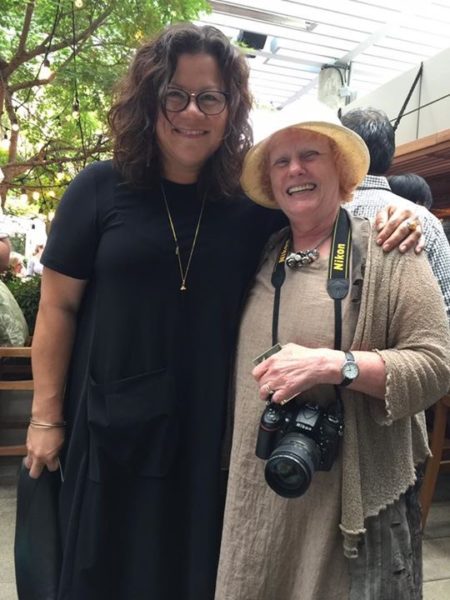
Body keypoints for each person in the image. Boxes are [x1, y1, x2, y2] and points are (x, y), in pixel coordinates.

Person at [23, 24, 425, 600]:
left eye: (210, 97)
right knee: (104, 568)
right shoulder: (97, 189)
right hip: (112, 426)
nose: (193, 111)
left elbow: (317, 209)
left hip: (209, 430)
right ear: (150, 100)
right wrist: (45, 417)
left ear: (230, 108)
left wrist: (390, 217)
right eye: (176, 95)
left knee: (194, 571)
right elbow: (57, 307)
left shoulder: (246, 203)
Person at [214, 103, 450, 600]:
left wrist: (332, 364)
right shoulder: (267, 249)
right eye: (281, 161)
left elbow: (436, 364)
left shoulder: (388, 249)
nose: (295, 170)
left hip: (347, 495)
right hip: (263, 487)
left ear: (341, 168)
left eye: (310, 155)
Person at [341, 107, 450, 322]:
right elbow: (446, 306)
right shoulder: (423, 221)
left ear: (342, 151)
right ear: (391, 154)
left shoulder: (315, 214)